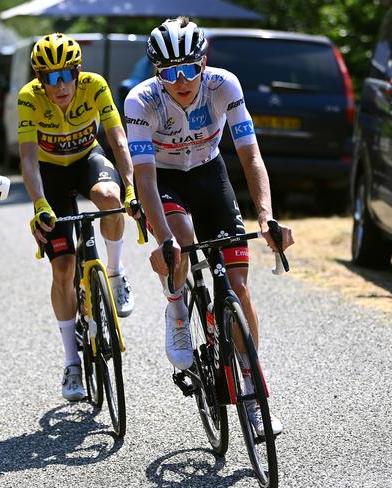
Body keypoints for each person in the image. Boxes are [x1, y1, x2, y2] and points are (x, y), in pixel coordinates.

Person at [124, 17, 295, 436]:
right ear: (156, 72)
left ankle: (251, 385)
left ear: (205, 62)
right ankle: (178, 308)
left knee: (238, 284)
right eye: (169, 72)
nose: (181, 81)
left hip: (208, 172)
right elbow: (143, 178)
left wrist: (266, 215)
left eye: (189, 69)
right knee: (180, 242)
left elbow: (250, 156)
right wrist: (162, 238)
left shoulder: (224, 86)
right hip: (163, 180)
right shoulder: (141, 101)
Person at [19, 33, 138, 401]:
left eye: (65, 75)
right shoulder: (28, 98)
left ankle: (115, 276)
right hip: (51, 174)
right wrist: (39, 203)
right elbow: (26, 158)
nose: (59, 86)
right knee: (64, 267)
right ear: (39, 80)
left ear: (77, 72)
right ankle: (72, 362)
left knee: (108, 196)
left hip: (88, 160)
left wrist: (131, 186)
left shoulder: (95, 87)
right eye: (49, 78)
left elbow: (118, 141)